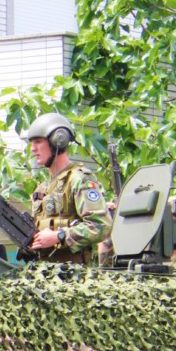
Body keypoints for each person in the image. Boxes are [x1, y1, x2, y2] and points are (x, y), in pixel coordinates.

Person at [22, 113, 112, 264]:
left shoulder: (80, 180)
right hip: (45, 274)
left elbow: (100, 225)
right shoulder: (42, 189)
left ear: (58, 142)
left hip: (75, 277)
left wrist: (59, 236)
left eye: (38, 142)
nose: (33, 149)